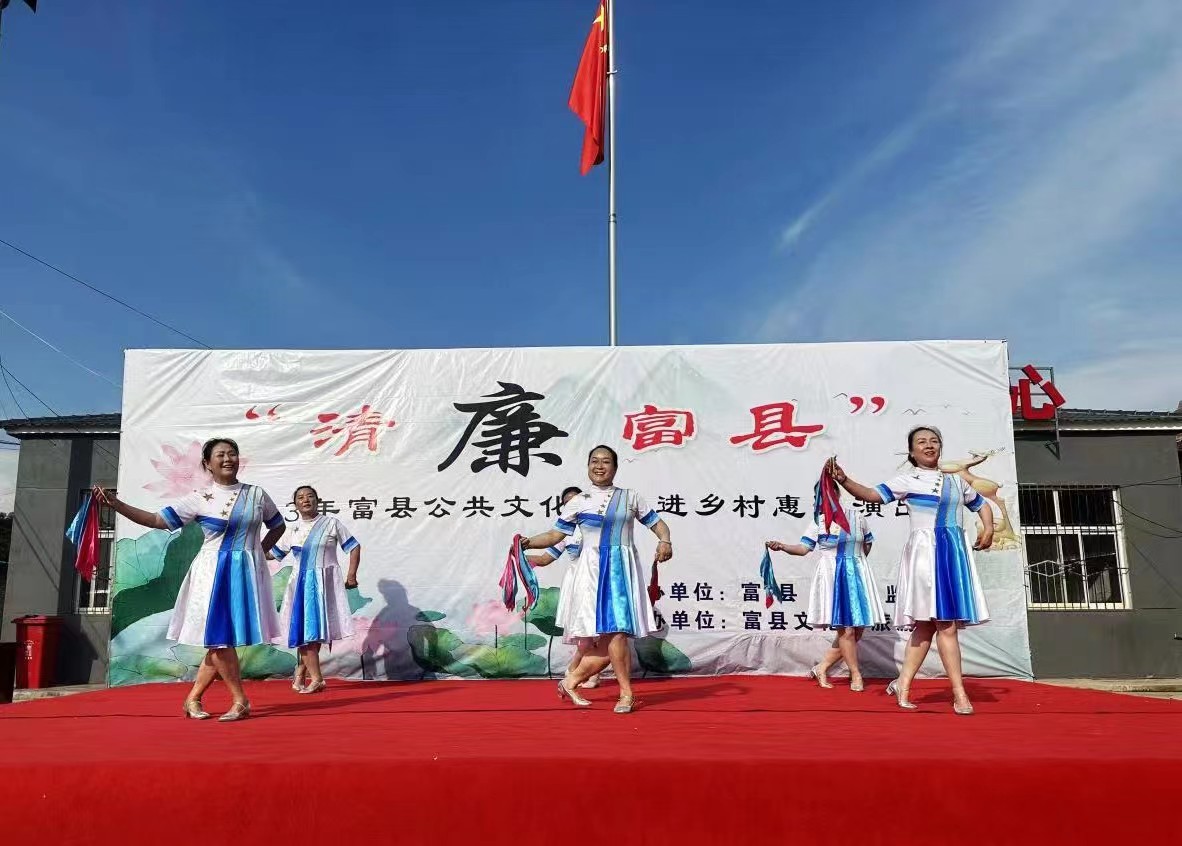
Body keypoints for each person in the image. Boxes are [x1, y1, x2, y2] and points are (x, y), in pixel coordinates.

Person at [94, 438, 285, 721]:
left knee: (221, 641)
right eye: (220, 455)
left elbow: (278, 525)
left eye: (232, 453)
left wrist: (258, 552)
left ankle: (193, 699)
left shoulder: (256, 494)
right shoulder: (199, 498)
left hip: (245, 574)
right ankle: (240, 700)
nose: (228, 459)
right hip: (212, 574)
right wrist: (117, 505)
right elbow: (157, 520)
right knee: (219, 640)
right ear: (207, 464)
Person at [828, 426, 994, 715]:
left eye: (934, 441)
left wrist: (988, 528)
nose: (929, 445)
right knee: (944, 624)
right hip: (925, 556)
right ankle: (959, 693)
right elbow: (871, 495)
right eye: (922, 442)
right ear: (912, 452)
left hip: (952, 554)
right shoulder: (908, 480)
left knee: (928, 626)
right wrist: (843, 479)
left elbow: (982, 505)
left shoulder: (956, 482)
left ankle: (903, 684)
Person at [521, 445, 672, 714]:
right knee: (613, 635)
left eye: (606, 461)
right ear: (588, 465)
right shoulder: (578, 502)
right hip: (592, 574)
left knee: (613, 637)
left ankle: (572, 682)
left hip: (621, 570)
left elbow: (658, 524)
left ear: (615, 467)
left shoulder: (630, 497)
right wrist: (527, 542)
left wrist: (665, 541)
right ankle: (624, 693)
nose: (599, 466)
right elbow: (554, 536)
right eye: (594, 461)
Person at [766, 482, 884, 692]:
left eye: (828, 493)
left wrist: (856, 563)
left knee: (857, 631)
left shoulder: (857, 517)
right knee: (846, 630)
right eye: (820, 495)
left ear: (837, 493)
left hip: (856, 575)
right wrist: (782, 546)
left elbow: (867, 543)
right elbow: (803, 548)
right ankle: (856, 674)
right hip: (832, 577)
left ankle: (822, 667)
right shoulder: (818, 522)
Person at [271, 485, 361, 694]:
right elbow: (273, 554)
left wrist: (351, 575)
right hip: (301, 586)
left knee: (314, 632)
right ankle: (309, 674)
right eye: (300, 497)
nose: (305, 500)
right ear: (295, 505)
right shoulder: (292, 530)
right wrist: (251, 547)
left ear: (317, 500)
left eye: (310, 496)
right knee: (307, 631)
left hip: (323, 585)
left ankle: (310, 675)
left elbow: (354, 546)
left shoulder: (331, 523)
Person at [525, 485, 606, 690]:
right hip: (578, 582)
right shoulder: (564, 533)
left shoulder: (599, 527)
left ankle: (578, 672)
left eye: (576, 500)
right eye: (567, 503)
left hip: (599, 578)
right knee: (584, 631)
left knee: (601, 629)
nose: (572, 504)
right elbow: (544, 559)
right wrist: (520, 556)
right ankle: (582, 673)